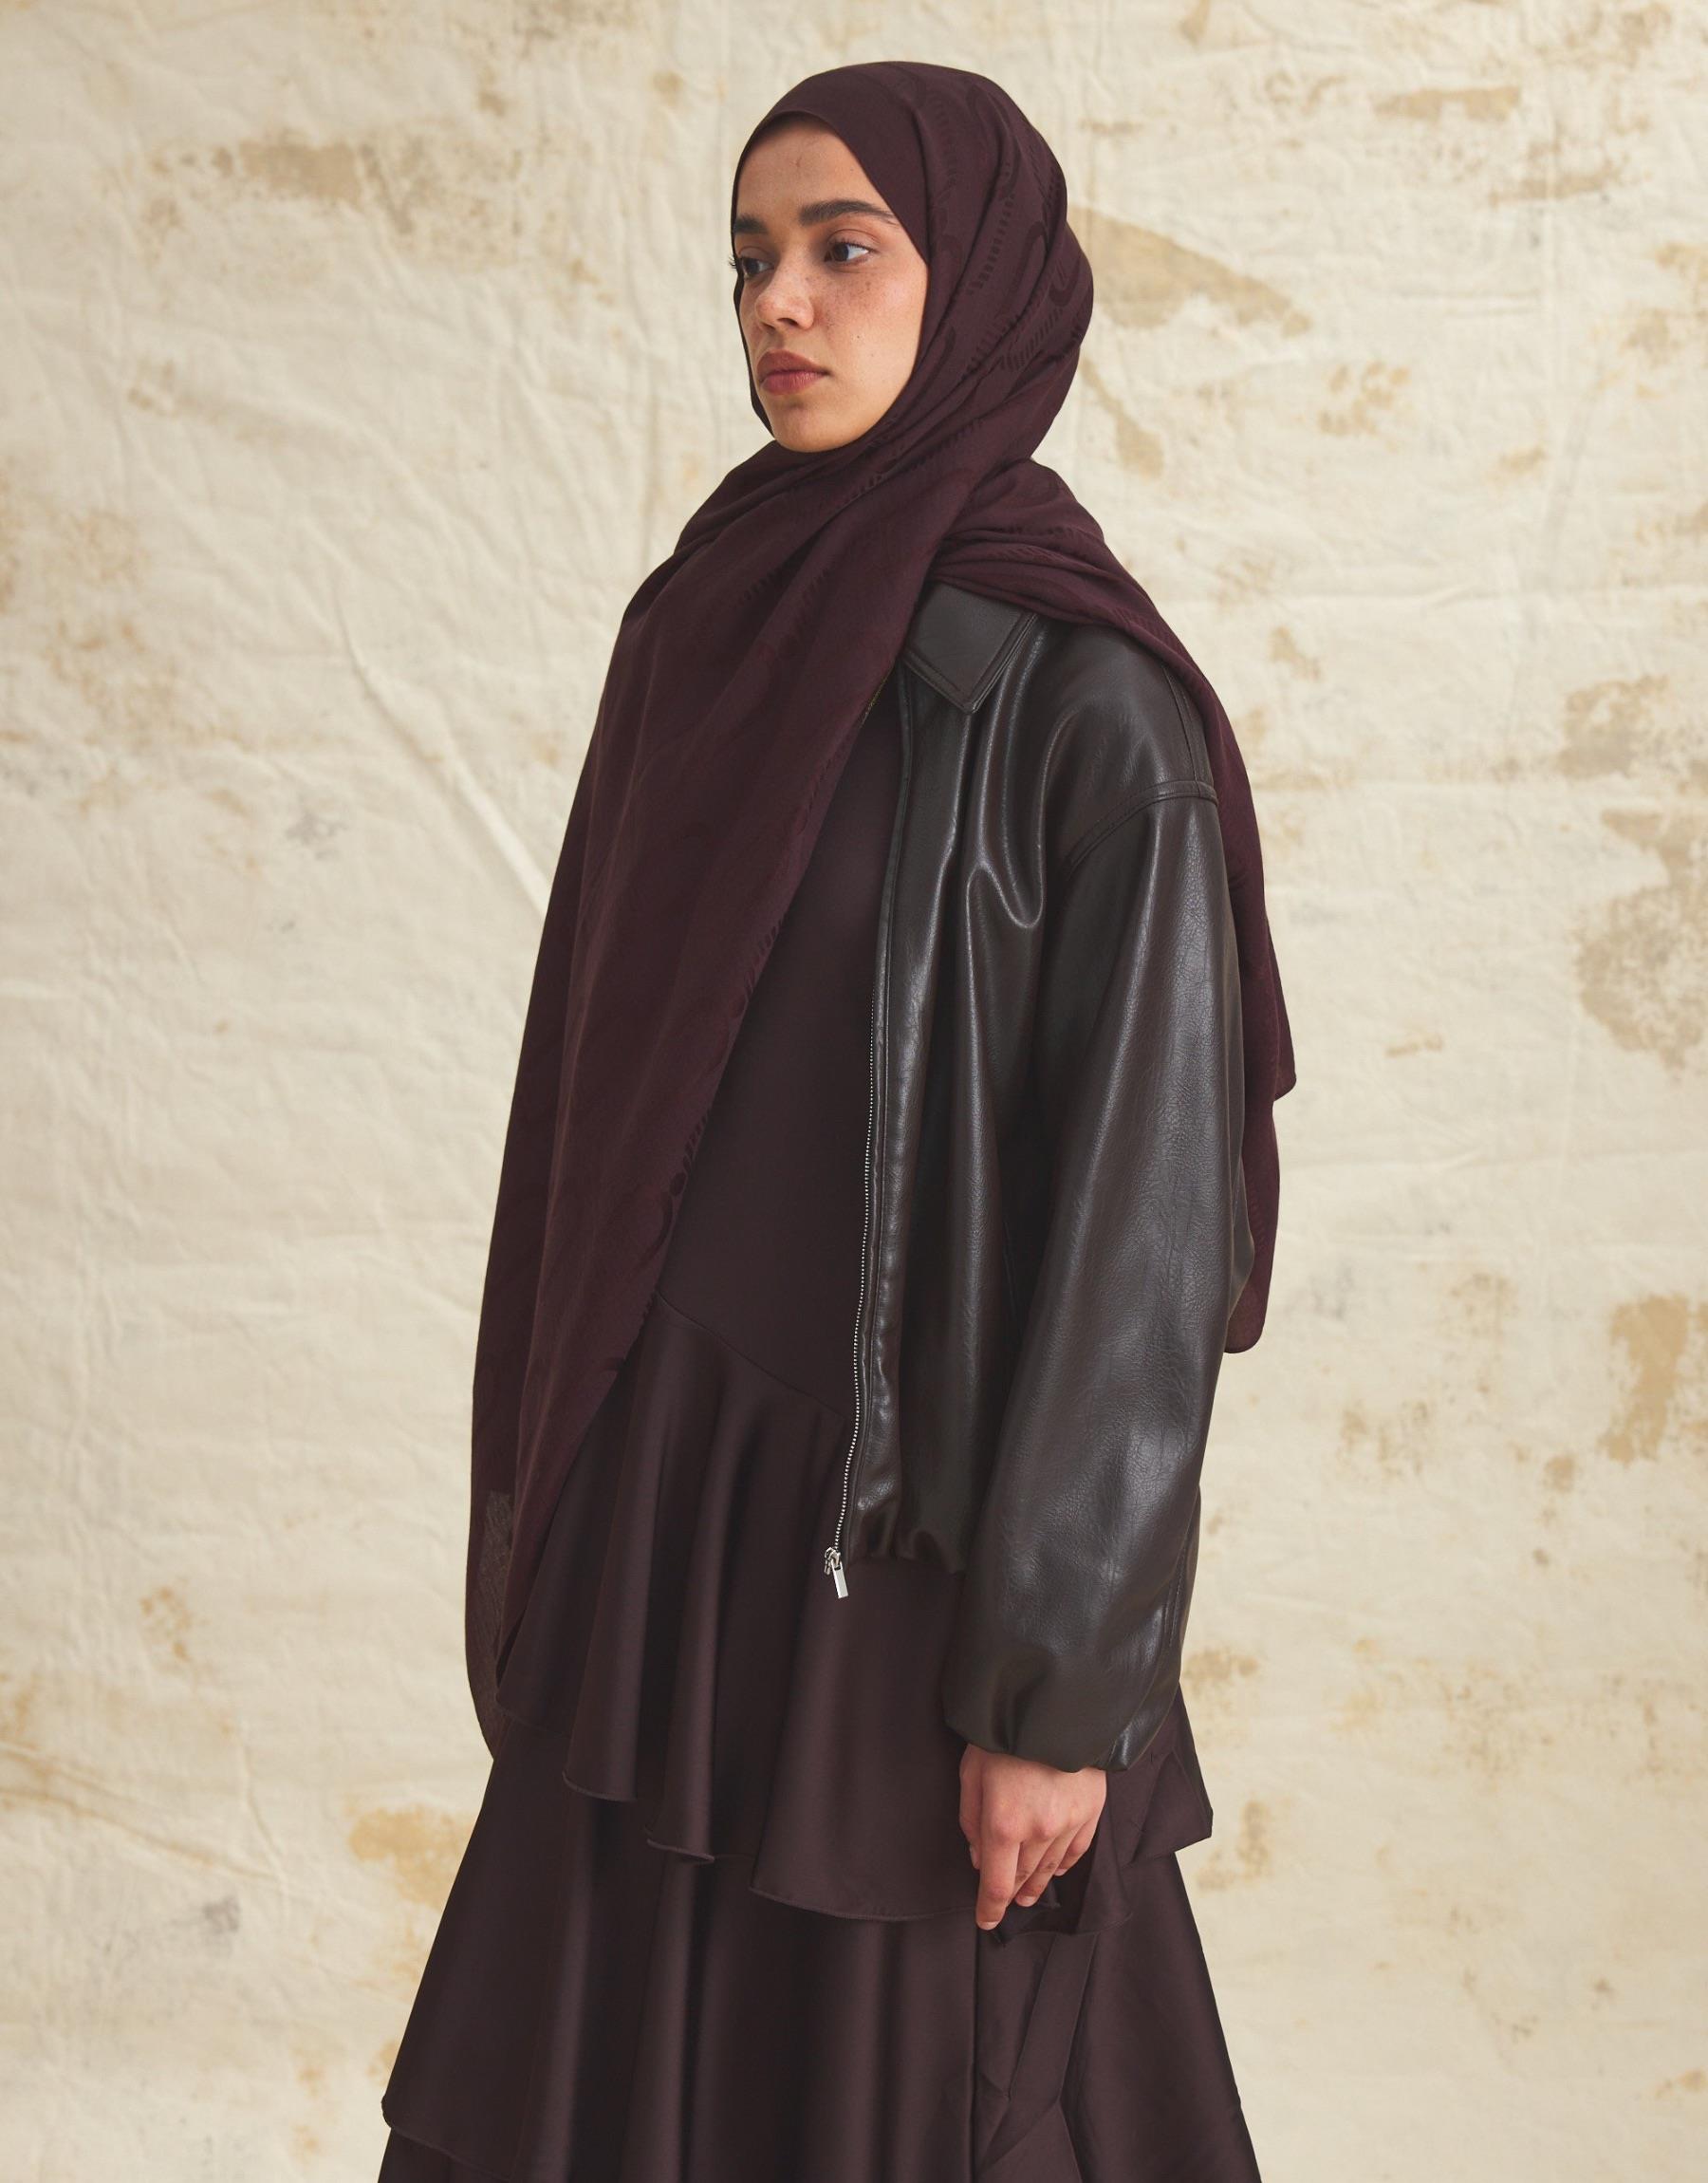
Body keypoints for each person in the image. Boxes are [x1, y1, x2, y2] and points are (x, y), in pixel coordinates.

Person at [376, 58, 1293, 2183]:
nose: (780, 302)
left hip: (911, 1561)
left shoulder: (1091, 715)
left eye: (846, 249)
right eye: (751, 259)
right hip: (671, 1558)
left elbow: (1138, 1255)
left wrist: (1053, 1694)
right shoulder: (710, 625)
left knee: (916, 2110)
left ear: (980, 286)